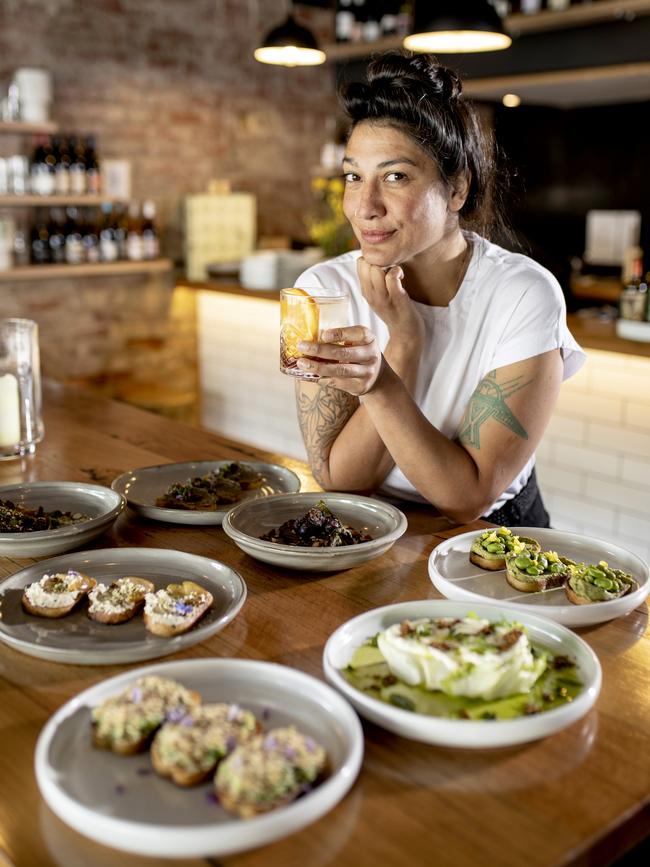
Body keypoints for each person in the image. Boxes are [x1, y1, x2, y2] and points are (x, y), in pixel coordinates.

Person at [292, 51, 585, 527]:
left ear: (457, 190)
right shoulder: (324, 289)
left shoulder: (523, 294)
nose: (365, 206)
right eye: (353, 176)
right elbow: (342, 480)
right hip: (373, 530)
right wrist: (404, 345)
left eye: (395, 176)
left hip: (495, 538)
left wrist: (382, 380)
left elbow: (465, 498)